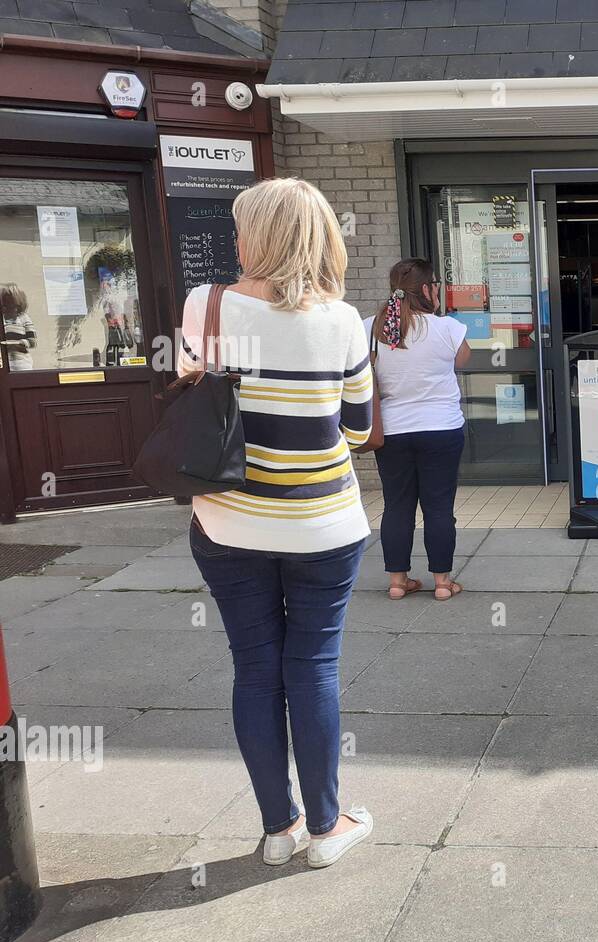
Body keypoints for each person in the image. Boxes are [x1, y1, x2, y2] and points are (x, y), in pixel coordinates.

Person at [179, 177, 375, 869]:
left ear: (259, 237)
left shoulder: (204, 306)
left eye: (241, 227)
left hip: (228, 525)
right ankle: (326, 828)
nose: (234, 239)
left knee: (255, 669)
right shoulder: (345, 321)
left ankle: (277, 828)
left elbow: (194, 396)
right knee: (313, 667)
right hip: (324, 524)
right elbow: (356, 430)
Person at [362, 258, 471, 601]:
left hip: (391, 432)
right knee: (439, 506)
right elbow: (461, 362)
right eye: (435, 284)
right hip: (441, 429)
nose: (437, 289)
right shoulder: (448, 328)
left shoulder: (371, 329)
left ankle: (398, 581)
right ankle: (442, 582)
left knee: (397, 505)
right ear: (426, 289)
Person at [1, 284, 36, 371]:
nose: (13, 309)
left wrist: (18, 343)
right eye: (8, 305)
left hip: (21, 363)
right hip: (4, 363)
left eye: (15, 306)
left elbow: (32, 341)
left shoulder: (24, 318)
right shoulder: (2, 319)